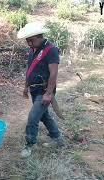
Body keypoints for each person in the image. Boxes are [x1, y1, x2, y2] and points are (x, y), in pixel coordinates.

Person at [17, 22, 64, 158]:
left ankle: (29, 144)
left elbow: (53, 73)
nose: (29, 44)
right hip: (34, 90)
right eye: (27, 41)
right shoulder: (33, 50)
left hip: (44, 91)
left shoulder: (51, 50)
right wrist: (26, 86)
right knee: (44, 115)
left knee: (33, 117)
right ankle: (57, 138)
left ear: (39, 36)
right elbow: (30, 70)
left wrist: (48, 93)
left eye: (31, 41)